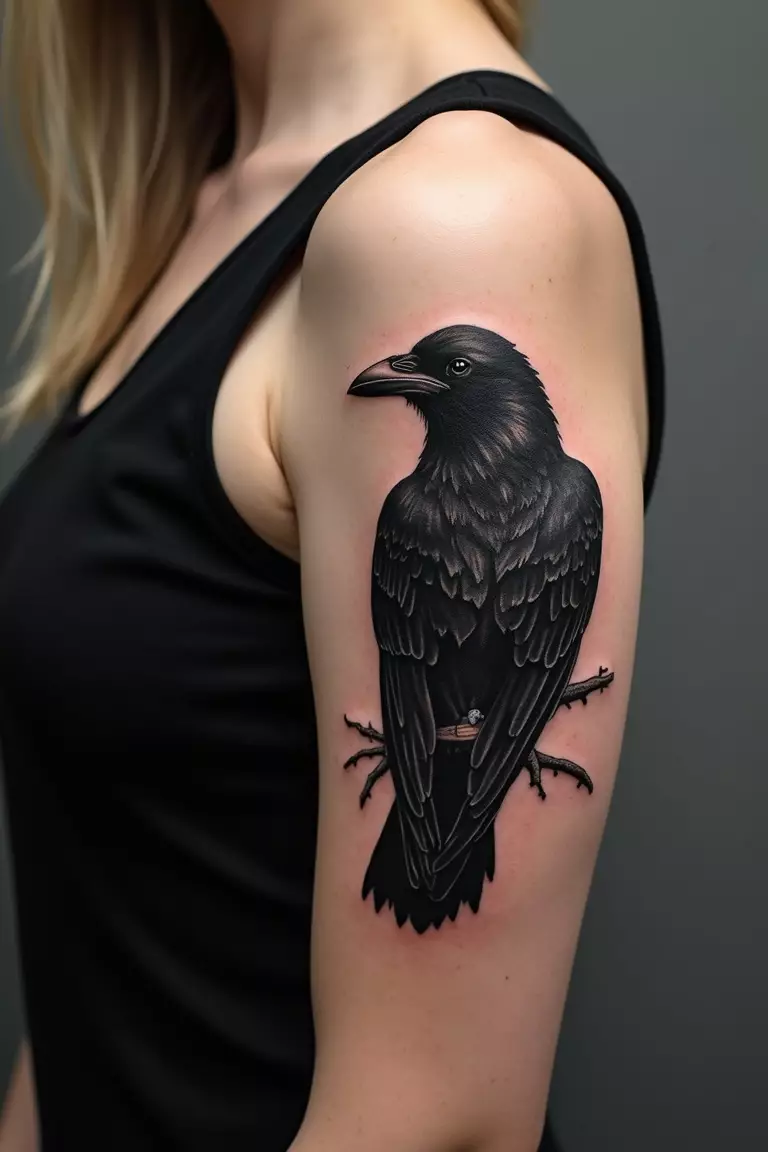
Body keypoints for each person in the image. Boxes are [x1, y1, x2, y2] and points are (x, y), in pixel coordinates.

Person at [0, 0, 664, 1149]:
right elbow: (107, 918)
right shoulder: (205, 197)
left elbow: (440, 1123)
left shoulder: (457, 219)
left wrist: (451, 779)